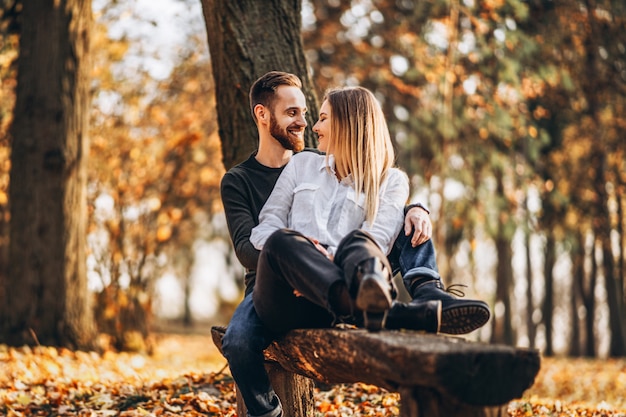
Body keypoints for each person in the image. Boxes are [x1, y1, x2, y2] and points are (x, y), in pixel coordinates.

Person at [220, 72, 489, 417]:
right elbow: (258, 236)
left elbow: (377, 239)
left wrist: (417, 209)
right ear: (263, 114)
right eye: (295, 114)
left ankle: (427, 293)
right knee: (277, 251)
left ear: (349, 124)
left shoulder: (389, 181)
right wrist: (298, 263)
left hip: (335, 293)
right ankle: (394, 314)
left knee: (362, 241)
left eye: (318, 116)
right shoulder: (293, 168)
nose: (310, 126)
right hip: (279, 291)